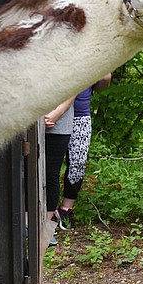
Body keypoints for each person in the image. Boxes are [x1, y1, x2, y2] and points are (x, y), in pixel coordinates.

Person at [56, 74, 110, 230]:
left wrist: (105, 78)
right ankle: (47, 209)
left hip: (81, 117)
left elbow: (100, 87)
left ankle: (66, 209)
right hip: (56, 114)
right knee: (50, 163)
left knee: (78, 163)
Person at [43, 94, 76, 247]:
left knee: (51, 175)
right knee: (24, 174)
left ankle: (45, 228)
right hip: (28, 123)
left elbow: (75, 87)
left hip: (59, 124)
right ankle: (27, 224)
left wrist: (56, 113)